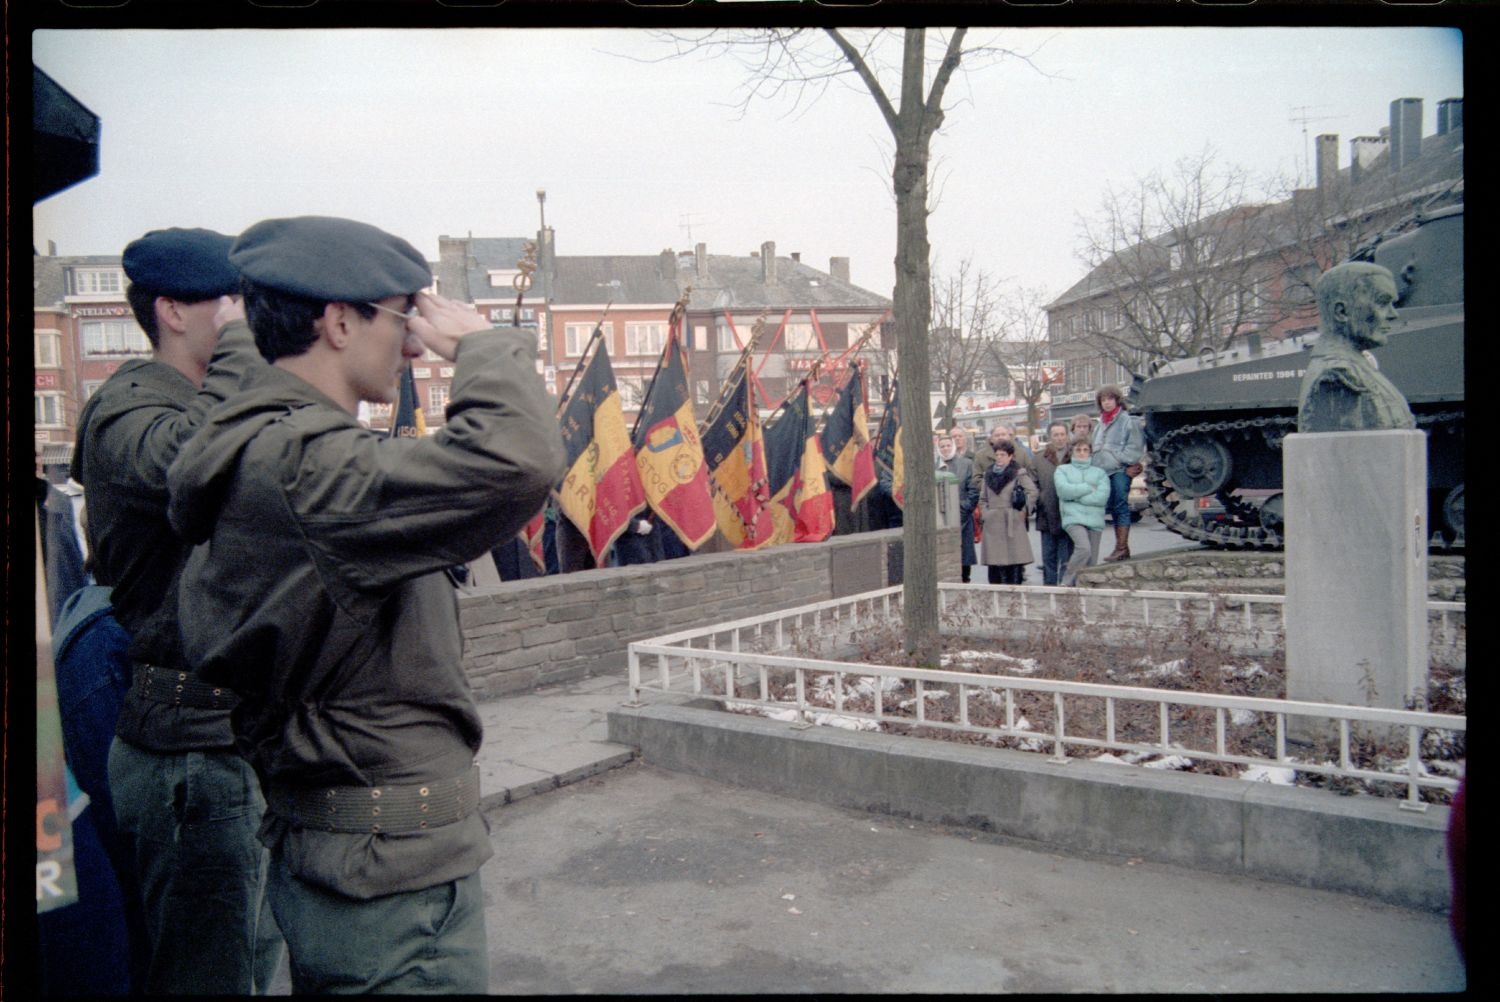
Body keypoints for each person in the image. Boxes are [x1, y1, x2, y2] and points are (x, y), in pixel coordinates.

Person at [166, 216, 566, 994]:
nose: (414, 345)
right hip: (386, 884)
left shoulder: (272, 445)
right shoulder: (307, 469)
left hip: (372, 858)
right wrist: (483, 346)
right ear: (339, 321)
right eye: (400, 316)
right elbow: (517, 458)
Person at [69, 227, 282, 994]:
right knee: (207, 972)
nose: (245, 315)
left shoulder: (211, 400)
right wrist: (244, 359)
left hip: (240, 734)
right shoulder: (128, 410)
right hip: (186, 749)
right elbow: (188, 463)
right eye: (231, 299)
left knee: (253, 956)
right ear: (173, 310)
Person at [1297, 261, 1416, 433]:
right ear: (1342, 312)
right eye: (1382, 303)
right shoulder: (1338, 376)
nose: (1393, 314)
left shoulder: (1355, 368)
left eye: (1393, 304)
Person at [1090, 385, 1145, 562]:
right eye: (1103, 400)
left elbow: (1135, 447)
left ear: (1117, 400)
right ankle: (1122, 548)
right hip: (1102, 472)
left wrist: (1118, 459)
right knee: (1112, 507)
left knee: (1121, 506)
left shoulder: (1128, 421)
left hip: (1120, 471)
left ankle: (1121, 547)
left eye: (1110, 399)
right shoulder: (1099, 425)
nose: (1107, 403)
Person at [976, 440, 1037, 585]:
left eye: (1003, 455)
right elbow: (983, 498)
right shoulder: (988, 475)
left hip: (1012, 521)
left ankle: (1014, 590)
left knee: (1014, 559)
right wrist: (986, 514)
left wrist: (1022, 511)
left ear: (1010, 456)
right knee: (995, 562)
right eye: (997, 455)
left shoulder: (1018, 473)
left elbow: (1032, 492)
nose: (999, 458)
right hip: (993, 522)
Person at [1054, 438, 1112, 587]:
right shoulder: (1062, 470)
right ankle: (1067, 581)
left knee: (1091, 561)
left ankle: (1084, 591)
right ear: (1072, 452)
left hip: (1095, 519)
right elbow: (1063, 491)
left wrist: (1077, 497)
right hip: (1073, 518)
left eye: (1085, 450)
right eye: (1078, 450)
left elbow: (1102, 497)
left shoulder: (1099, 473)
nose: (1082, 453)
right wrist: (1087, 488)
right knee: (1084, 548)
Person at [1032, 421, 1074, 586]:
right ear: (1050, 437)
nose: (1059, 438)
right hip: (1046, 513)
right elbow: (1033, 483)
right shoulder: (1039, 458)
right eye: (1055, 435)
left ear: (1067, 435)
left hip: (1068, 514)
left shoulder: (1073, 456)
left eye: (1062, 434)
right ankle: (1049, 587)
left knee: (1066, 556)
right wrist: (1040, 499)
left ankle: (1066, 588)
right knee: (1048, 556)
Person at [937, 432, 978, 583]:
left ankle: (965, 579)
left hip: (963, 516)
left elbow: (973, 489)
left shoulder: (966, 464)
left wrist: (965, 508)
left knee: (964, 552)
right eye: (942, 446)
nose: (946, 449)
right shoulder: (934, 466)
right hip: (941, 517)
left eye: (948, 445)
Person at [970, 422, 1034, 498]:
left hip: (1016, 500)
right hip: (992, 500)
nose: (1000, 437)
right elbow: (976, 479)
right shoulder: (980, 456)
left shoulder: (1021, 453)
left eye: (1003, 434)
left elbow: (1031, 474)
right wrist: (992, 488)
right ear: (991, 439)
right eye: (997, 435)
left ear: (1009, 436)